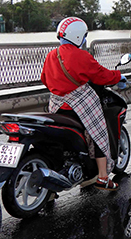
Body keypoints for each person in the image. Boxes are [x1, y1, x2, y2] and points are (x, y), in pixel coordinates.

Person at [41, 17, 125, 191]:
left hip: (56, 107)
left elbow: (45, 79)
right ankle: (103, 177)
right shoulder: (81, 55)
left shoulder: (51, 55)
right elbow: (101, 75)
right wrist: (118, 76)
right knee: (98, 133)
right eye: (85, 35)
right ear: (78, 36)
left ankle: (50, 190)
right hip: (77, 108)